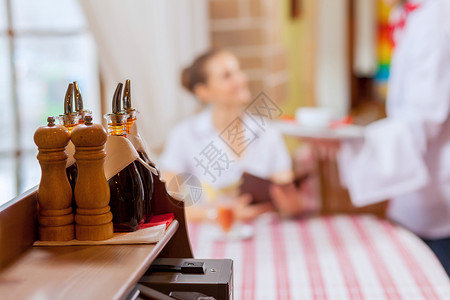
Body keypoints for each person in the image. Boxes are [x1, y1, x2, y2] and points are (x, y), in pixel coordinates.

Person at [308, 0, 450, 276]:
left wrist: (349, 143)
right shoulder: (413, 14)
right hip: (418, 193)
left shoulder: (438, 19)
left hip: (439, 194)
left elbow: (423, 120)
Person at [158, 49, 316, 221]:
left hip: (267, 234)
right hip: (212, 237)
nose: (240, 79)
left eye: (239, 71)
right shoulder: (184, 135)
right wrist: (220, 215)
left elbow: (290, 201)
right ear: (203, 92)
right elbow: (166, 204)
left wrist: (291, 204)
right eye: (227, 76)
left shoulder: (268, 132)